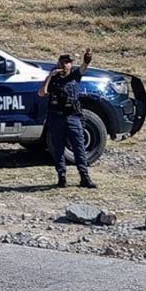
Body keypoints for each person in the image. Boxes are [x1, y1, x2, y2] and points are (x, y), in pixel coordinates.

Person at [37, 48, 97, 189]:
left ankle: (84, 176)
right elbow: (41, 93)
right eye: (63, 62)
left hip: (72, 116)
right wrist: (50, 76)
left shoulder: (75, 76)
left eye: (68, 62)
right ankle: (61, 176)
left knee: (79, 147)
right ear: (58, 63)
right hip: (56, 117)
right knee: (58, 148)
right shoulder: (53, 79)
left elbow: (83, 67)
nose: (65, 65)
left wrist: (87, 60)